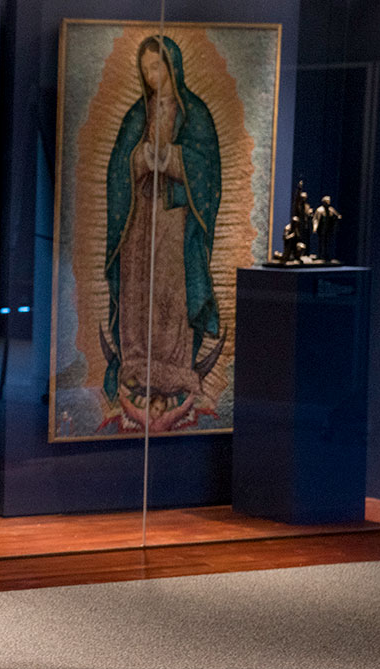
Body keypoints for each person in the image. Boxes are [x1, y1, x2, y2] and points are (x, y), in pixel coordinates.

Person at [103, 34, 222, 429]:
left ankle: (173, 364)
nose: (152, 76)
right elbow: (118, 166)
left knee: (172, 290)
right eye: (145, 70)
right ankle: (136, 359)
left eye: (158, 67)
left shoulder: (196, 116)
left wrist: (172, 158)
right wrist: (138, 158)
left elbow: (208, 171)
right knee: (138, 289)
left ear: (173, 65)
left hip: (175, 221)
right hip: (139, 221)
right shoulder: (137, 115)